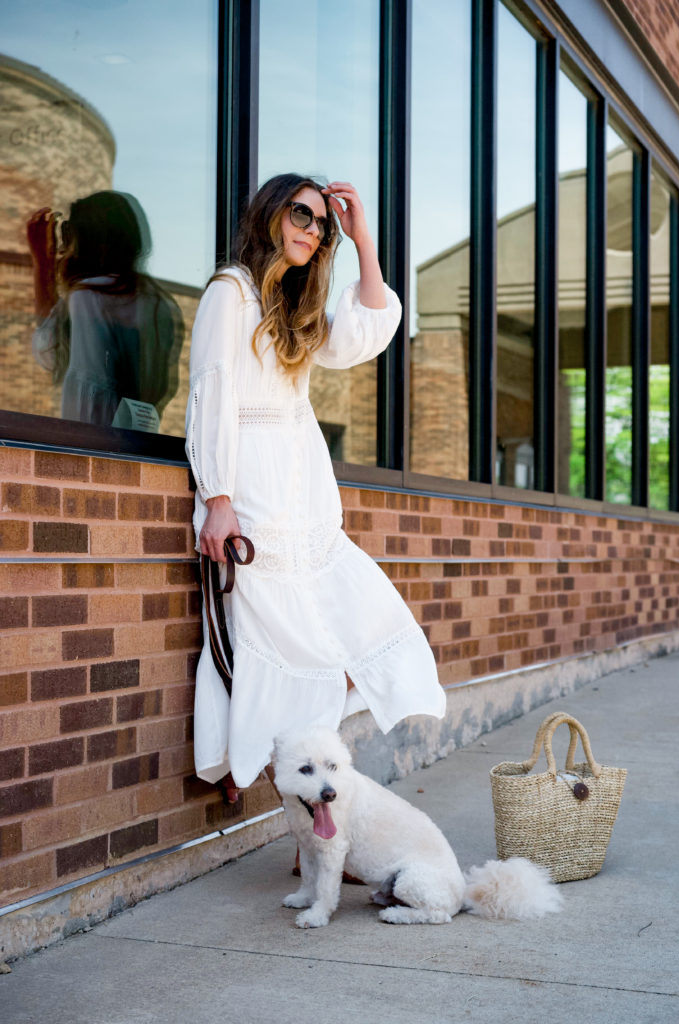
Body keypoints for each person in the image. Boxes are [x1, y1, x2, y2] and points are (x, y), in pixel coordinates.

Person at [186, 173, 446, 796]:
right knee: (293, 657)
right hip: (252, 501)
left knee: (354, 633)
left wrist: (363, 243)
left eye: (320, 225)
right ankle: (310, 821)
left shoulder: (294, 308)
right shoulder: (232, 292)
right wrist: (217, 500)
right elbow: (211, 397)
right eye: (301, 215)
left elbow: (368, 332)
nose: (310, 230)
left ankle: (301, 810)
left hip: (306, 505)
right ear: (271, 215)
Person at [27, 191, 183, 429]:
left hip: (94, 439)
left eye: (69, 231)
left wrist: (42, 262)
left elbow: (52, 354)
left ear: (85, 238)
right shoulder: (160, 303)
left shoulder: (88, 298)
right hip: (142, 439)